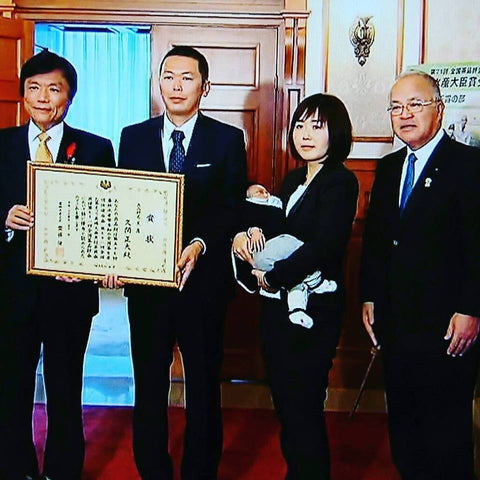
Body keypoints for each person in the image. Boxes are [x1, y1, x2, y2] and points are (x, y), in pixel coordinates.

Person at [118, 46, 246, 479]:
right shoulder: (132, 136)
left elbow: (231, 209)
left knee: (204, 386)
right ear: (159, 85)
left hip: (203, 284)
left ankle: (199, 470)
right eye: (168, 76)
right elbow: (124, 203)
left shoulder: (227, 139)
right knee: (149, 385)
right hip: (148, 287)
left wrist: (199, 243)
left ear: (204, 87)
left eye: (187, 78)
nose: (176, 85)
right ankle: (152, 468)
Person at [0, 50, 115, 480]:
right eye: (34, 88)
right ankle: (16, 471)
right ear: (23, 94)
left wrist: (89, 263)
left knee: (66, 393)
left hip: (70, 294)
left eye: (54, 89)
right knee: (11, 393)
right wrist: (3, 218)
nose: (43, 98)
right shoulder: (2, 144)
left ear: (70, 96)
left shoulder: (95, 147)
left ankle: (63, 473)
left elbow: (107, 218)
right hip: (12, 295)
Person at [360, 70, 480, 479]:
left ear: (440, 110)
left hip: (448, 327)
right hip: (396, 325)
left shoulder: (468, 165)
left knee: (446, 437)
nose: (404, 114)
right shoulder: (389, 167)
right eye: (396, 107)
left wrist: (471, 308)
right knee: (405, 433)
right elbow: (377, 242)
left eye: (415, 104)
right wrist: (370, 296)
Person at [233, 93, 358, 479]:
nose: (305, 134)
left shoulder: (341, 181)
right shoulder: (292, 179)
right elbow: (276, 229)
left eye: (316, 126)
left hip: (313, 313)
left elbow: (324, 246)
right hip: (276, 310)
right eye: (300, 125)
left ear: (334, 133)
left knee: (304, 405)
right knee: (286, 403)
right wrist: (248, 232)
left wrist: (272, 276)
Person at [233, 183, 338, 329]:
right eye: (259, 192)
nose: (265, 193)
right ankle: (315, 279)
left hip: (281, 262)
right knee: (290, 246)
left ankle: (297, 310)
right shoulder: (249, 207)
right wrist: (252, 231)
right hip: (261, 254)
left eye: (266, 190)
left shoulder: (277, 207)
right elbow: (243, 221)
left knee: (296, 281)